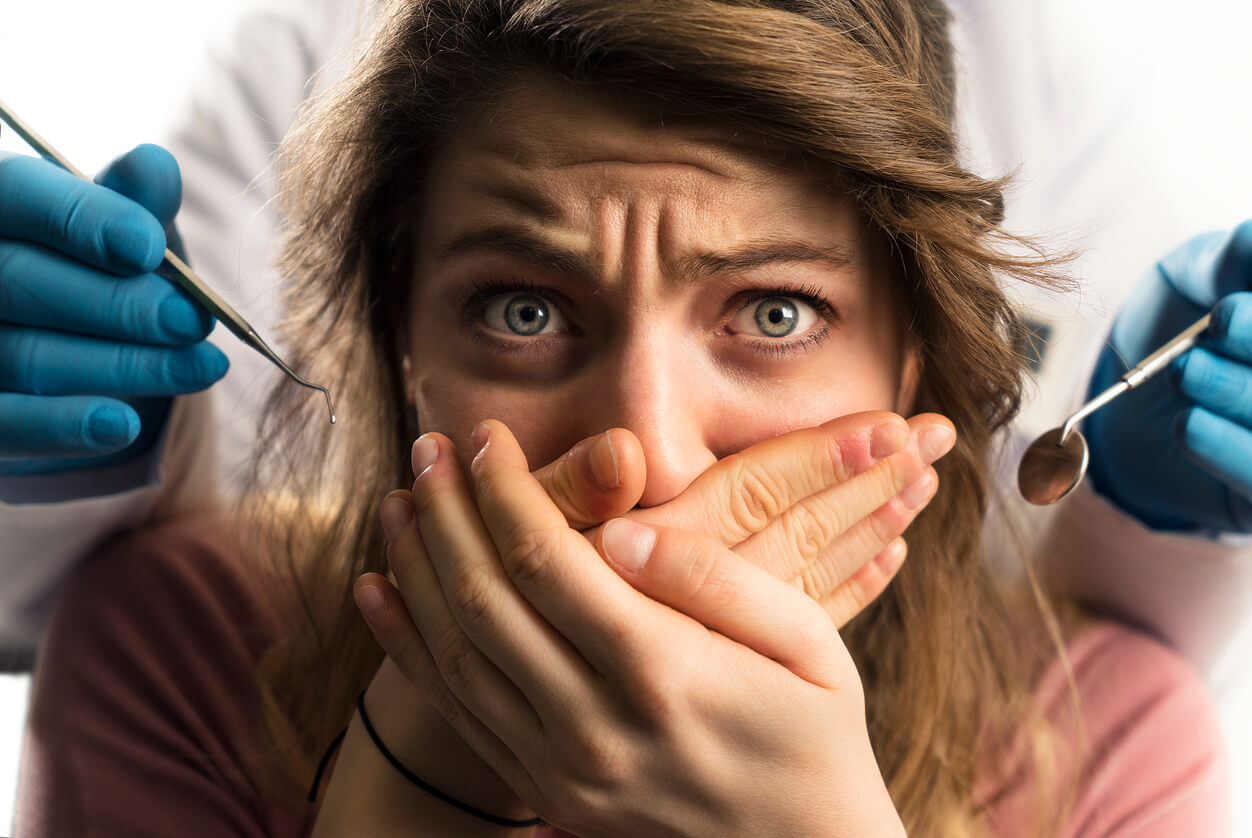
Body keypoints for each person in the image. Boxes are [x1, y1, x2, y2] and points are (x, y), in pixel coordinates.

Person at [15, 1, 1230, 835]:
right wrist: (424, 776)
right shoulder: (177, 654)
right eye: (525, 310)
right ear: (399, 345)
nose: (643, 459)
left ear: (915, 364)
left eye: (772, 315)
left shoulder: (1104, 747)